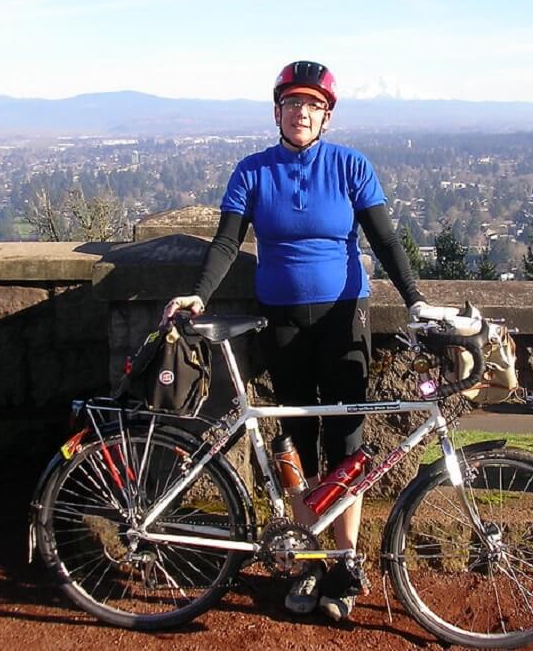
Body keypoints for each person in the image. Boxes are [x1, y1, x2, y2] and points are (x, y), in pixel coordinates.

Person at [162, 60, 435, 621]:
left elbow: (385, 240)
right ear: (277, 111)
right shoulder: (252, 171)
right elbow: (226, 243)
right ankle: (309, 556)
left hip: (343, 316)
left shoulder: (351, 166)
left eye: (313, 105)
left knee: (346, 439)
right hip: (281, 319)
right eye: (292, 103)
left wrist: (415, 300)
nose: (302, 113)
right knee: (295, 439)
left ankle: (345, 560)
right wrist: (198, 294)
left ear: (326, 116)